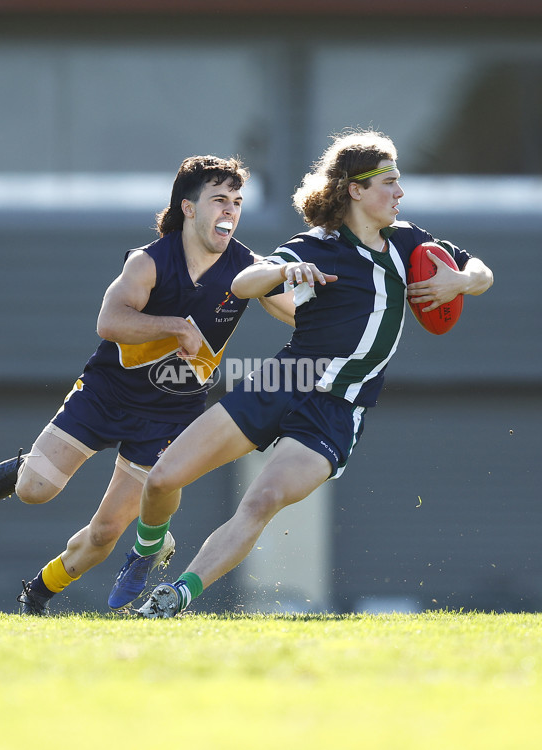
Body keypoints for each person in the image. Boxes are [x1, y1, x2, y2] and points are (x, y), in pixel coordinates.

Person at [109, 128, 494, 618]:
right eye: (390, 183)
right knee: (161, 479)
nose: (400, 193)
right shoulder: (318, 244)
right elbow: (245, 281)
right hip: (283, 381)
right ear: (355, 189)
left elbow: (483, 272)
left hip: (337, 409)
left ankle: (176, 595)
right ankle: (147, 550)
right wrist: (282, 273)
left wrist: (461, 279)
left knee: (261, 500)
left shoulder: (409, 246)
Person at [0, 154, 295, 616]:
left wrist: (313, 285)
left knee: (105, 534)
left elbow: (294, 312)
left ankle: (40, 591)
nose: (230, 211)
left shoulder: (248, 269)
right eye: (219, 199)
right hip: (106, 395)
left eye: (237, 202)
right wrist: (176, 327)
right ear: (188, 207)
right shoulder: (150, 262)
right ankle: (30, 465)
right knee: (34, 490)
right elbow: (110, 320)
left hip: (170, 413)